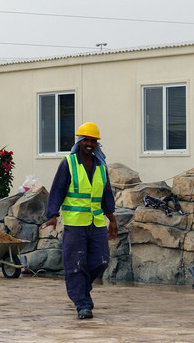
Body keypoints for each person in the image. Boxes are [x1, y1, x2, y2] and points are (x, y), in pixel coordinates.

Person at [43, 122, 118, 319]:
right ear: (79, 141)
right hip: (75, 223)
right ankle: (82, 304)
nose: (89, 144)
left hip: (97, 223)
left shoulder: (101, 166)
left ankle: (81, 290)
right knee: (75, 264)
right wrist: (52, 215)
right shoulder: (68, 163)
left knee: (101, 260)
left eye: (93, 141)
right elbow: (58, 189)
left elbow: (106, 195)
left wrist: (112, 220)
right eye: (86, 140)